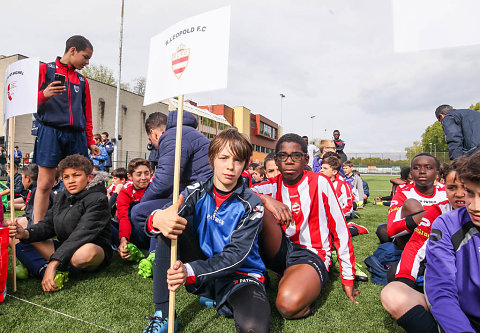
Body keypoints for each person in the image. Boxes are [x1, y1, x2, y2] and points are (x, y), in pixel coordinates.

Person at [143, 129, 270, 333]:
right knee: (170, 224)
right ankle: (164, 314)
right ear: (212, 160)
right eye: (224, 158)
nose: (230, 166)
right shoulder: (198, 190)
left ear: (245, 165)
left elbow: (236, 256)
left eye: (238, 160)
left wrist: (190, 271)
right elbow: (168, 214)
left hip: (240, 276)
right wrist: (156, 218)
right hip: (205, 273)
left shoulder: (252, 204)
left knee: (253, 327)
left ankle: (222, 300)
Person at [252, 133, 358, 320]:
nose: (289, 161)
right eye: (283, 156)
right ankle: (252, 273)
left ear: (306, 159)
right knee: (254, 207)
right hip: (281, 251)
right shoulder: (271, 186)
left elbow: (341, 231)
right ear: (276, 160)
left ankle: (304, 283)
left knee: (286, 306)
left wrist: (348, 278)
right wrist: (265, 199)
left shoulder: (320, 182)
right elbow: (235, 194)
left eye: (296, 155)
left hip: (311, 253)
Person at [380, 159, 466, 333]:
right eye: (452, 188)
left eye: (467, 188)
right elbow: (399, 235)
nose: (459, 194)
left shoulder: (467, 209)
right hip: (415, 244)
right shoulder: (436, 209)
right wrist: (405, 282)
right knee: (394, 287)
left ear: (436, 175)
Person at [9, 154, 112, 292]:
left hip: (91, 248)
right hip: (65, 248)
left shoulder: (98, 199)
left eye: (76, 175)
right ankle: (42, 269)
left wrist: (54, 263)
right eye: (66, 177)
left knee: (83, 254)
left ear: (89, 177)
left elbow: (81, 234)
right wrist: (26, 233)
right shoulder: (62, 197)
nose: (71, 181)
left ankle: (57, 267)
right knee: (17, 235)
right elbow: (48, 224)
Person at [130, 111, 212, 278]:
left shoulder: (172, 135)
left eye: (151, 140)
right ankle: (157, 251)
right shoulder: (190, 133)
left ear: (153, 133)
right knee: (161, 213)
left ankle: (171, 256)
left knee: (140, 212)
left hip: (200, 199)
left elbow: (165, 180)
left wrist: (141, 203)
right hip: (204, 195)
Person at [33, 35, 100, 225]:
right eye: (85, 57)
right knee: (45, 184)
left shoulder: (82, 80)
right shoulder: (44, 70)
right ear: (72, 51)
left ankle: (74, 226)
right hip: (50, 132)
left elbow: (87, 114)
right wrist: (44, 95)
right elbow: (27, 103)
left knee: (77, 184)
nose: (87, 62)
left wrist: (90, 141)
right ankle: (38, 227)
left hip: (76, 136)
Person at [423, 152, 480, 332]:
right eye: (470, 192)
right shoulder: (446, 222)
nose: (474, 206)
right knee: (395, 294)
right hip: (465, 318)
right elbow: (441, 289)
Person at [376, 154, 446, 247]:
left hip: (441, 239)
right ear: (411, 173)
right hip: (412, 242)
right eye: (416, 168)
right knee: (411, 205)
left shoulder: (446, 191)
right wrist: (427, 215)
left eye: (428, 167)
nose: (422, 171)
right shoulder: (403, 191)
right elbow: (391, 230)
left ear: (437, 174)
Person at [115, 159, 156, 275]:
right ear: (130, 176)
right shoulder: (125, 193)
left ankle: (153, 256)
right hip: (133, 233)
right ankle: (129, 248)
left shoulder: (156, 190)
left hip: (152, 234)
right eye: (139, 174)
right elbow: (123, 217)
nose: (144, 177)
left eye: (146, 173)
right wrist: (123, 239)